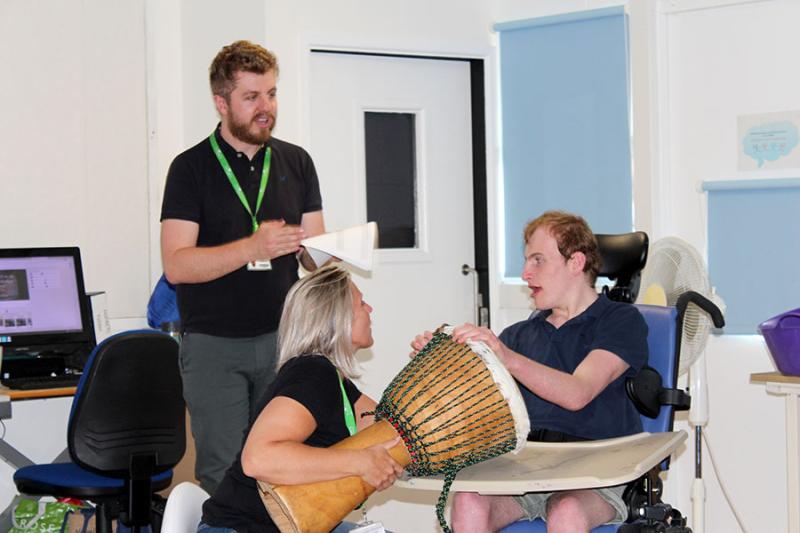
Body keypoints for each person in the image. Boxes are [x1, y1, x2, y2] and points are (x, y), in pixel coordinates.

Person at [411, 211, 648, 533]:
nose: (525, 273)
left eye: (538, 260)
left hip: (597, 470)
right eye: (526, 261)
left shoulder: (620, 320)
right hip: (527, 468)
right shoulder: (519, 335)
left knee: (566, 511)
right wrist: (441, 363)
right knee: (467, 500)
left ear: (576, 263)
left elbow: (578, 393)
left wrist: (507, 358)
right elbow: (476, 410)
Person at [160, 39, 325, 493]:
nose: (265, 107)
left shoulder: (296, 161)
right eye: (252, 97)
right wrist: (253, 246)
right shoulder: (189, 168)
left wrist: (325, 251)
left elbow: (313, 254)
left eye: (271, 94)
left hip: (283, 339)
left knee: (283, 471)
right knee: (224, 476)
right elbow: (176, 265)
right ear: (221, 102)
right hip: (215, 346)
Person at [199, 264, 403, 533]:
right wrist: (360, 462)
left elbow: (393, 431)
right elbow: (258, 460)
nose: (370, 310)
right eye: (361, 303)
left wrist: (431, 360)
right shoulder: (313, 374)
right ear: (337, 317)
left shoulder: (336, 381)